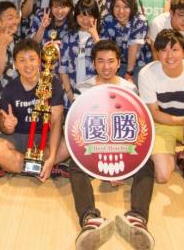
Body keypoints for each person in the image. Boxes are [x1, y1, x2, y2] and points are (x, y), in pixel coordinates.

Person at [72, 40, 156, 250]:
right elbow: (79, 131)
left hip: (123, 148)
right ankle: (89, 219)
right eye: (100, 61)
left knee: (147, 164)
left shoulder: (129, 88)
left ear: (119, 63)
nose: (106, 66)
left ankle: (138, 218)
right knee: (75, 164)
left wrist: (123, 166)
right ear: (93, 63)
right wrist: (103, 166)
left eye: (111, 61)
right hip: (94, 148)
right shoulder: (83, 89)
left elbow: (135, 129)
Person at [138, 29, 184, 183]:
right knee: (162, 176)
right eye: (164, 50)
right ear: (157, 54)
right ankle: (164, 151)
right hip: (160, 124)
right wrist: (182, 121)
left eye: (175, 50)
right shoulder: (146, 74)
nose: (169, 56)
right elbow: (154, 113)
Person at [0, 39, 65, 181]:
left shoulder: (53, 83)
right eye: (22, 60)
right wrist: (8, 125)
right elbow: (5, 128)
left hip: (44, 139)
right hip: (18, 138)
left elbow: (56, 123)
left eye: (32, 59)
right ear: (15, 64)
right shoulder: (9, 89)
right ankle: (42, 168)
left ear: (40, 61)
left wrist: (52, 156)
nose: (28, 65)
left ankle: (18, 166)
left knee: (71, 144)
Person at [59, 0, 101, 105]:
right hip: (72, 91)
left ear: (95, 17)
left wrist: (95, 37)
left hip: (96, 92)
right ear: (75, 16)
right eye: (81, 16)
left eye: (89, 16)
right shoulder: (67, 38)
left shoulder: (102, 37)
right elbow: (63, 69)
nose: (85, 20)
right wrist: (69, 93)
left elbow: (104, 60)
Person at [100, 0, 148, 81]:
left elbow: (133, 48)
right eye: (117, 6)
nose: (121, 11)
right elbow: (105, 46)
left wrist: (129, 72)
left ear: (132, 7)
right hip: (116, 65)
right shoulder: (108, 19)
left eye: (126, 7)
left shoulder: (139, 20)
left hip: (137, 64)